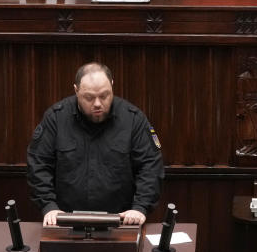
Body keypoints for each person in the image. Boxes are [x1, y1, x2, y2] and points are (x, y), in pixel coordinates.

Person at [27, 62, 164, 226]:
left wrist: (140, 207)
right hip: (65, 221)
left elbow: (150, 165)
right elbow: (38, 164)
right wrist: (49, 206)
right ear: (76, 90)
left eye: (104, 95)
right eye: (89, 97)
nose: (98, 103)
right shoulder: (56, 118)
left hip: (121, 222)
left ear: (112, 86)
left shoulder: (133, 119)